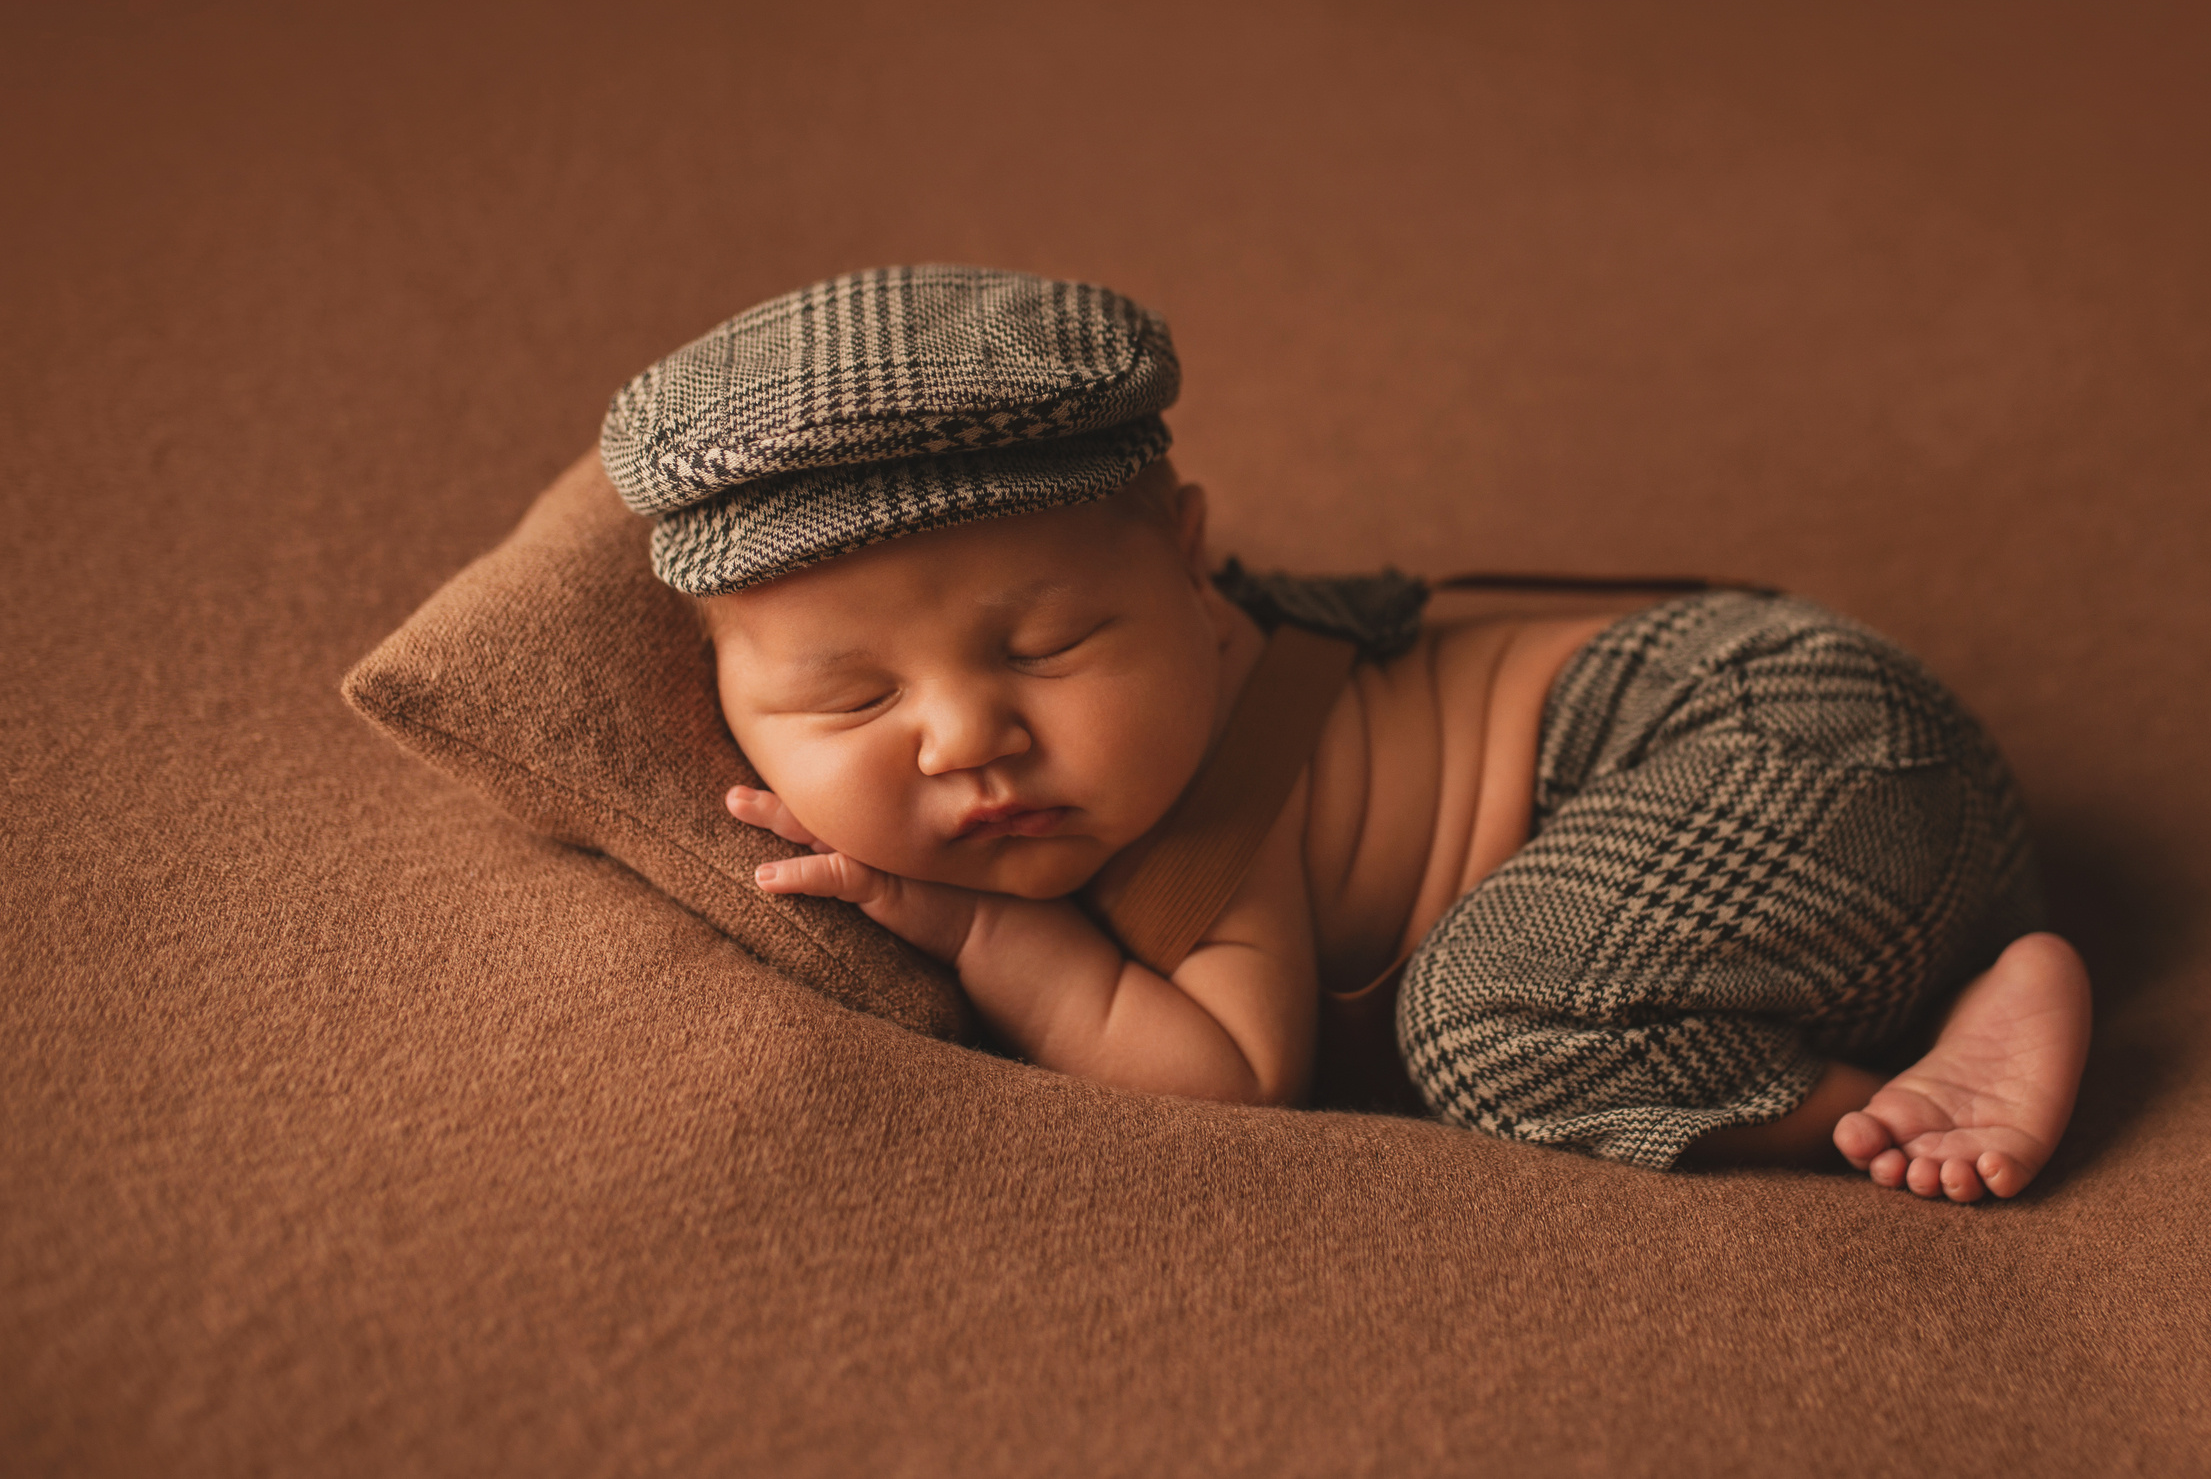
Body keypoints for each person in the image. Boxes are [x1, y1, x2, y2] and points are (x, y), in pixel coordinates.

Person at [601, 265, 2091, 1201]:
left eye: (1048, 647)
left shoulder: (1200, 789)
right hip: (1822, 804)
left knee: (1484, 1024)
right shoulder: (1141, 681)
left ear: (1193, 569)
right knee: (1536, 975)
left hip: (1776, 734)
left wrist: (993, 941)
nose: (968, 738)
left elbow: (1238, 1081)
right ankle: (1966, 974)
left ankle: (1907, 1095)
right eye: (852, 701)